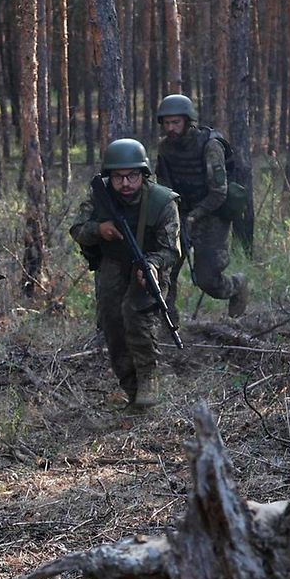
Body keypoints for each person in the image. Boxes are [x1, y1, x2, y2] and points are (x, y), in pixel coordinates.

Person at [71, 139, 182, 411]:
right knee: (112, 323)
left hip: (148, 266)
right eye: (118, 177)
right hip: (112, 263)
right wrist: (99, 229)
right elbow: (77, 230)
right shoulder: (100, 196)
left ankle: (148, 380)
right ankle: (131, 390)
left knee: (138, 315)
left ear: (144, 175)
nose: (125, 183)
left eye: (132, 176)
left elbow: (172, 250)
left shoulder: (162, 201)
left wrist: (153, 265)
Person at [153, 95, 251, 319]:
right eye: (167, 123)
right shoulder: (165, 148)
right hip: (179, 214)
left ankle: (237, 286)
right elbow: (163, 185)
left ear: (188, 121)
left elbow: (219, 192)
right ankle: (169, 321)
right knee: (165, 270)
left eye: (176, 122)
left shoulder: (210, 146)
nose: (171, 128)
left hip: (211, 214)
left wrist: (194, 215)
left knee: (207, 279)